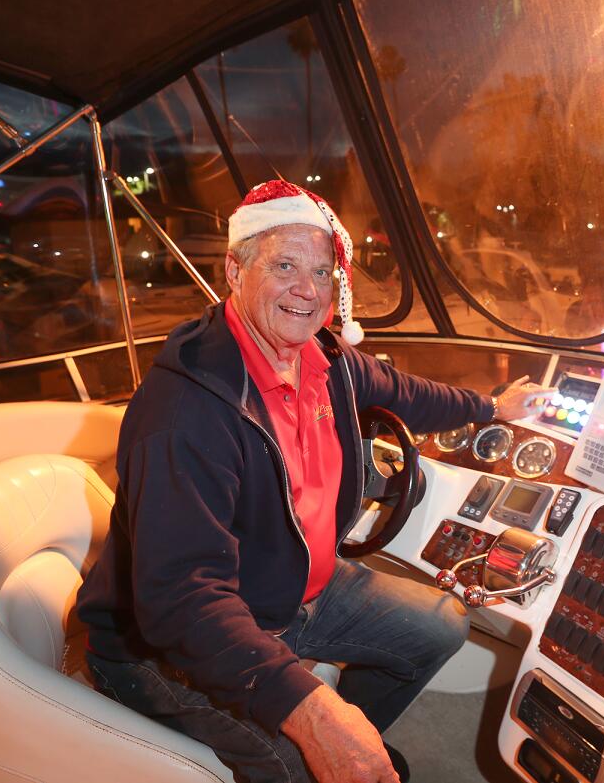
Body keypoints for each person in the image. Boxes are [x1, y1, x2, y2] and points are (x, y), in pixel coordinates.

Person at [76, 179, 551, 783]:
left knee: (439, 625)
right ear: (234, 269)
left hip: (291, 590)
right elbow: (179, 598)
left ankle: (355, 745)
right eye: (284, 265)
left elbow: (403, 392)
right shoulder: (186, 410)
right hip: (159, 646)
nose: (307, 290)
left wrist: (490, 408)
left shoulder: (325, 362)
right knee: (296, 766)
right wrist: (311, 714)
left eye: (322, 272)